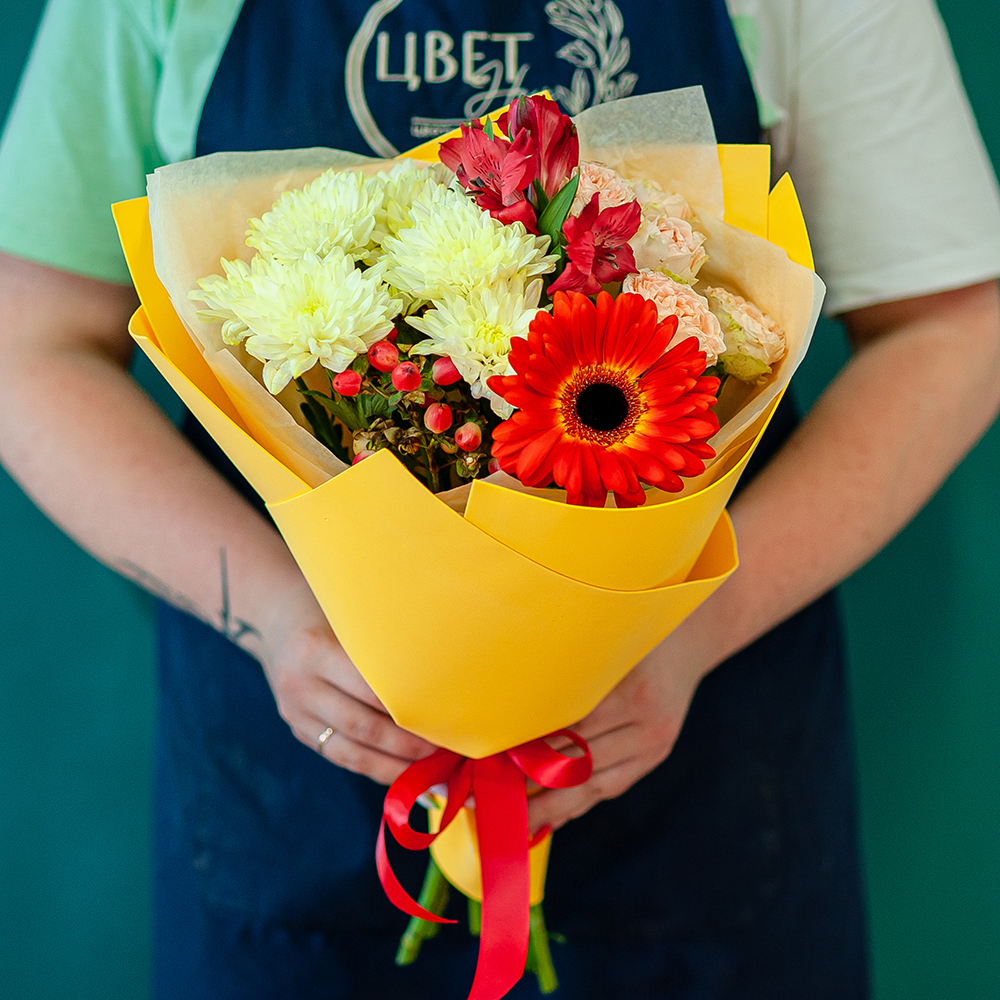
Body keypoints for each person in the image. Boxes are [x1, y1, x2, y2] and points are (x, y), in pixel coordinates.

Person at [1, 1, 999, 997]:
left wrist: (700, 618)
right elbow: (28, 342)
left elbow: (950, 325)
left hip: (698, 771)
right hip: (293, 790)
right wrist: (268, 611)